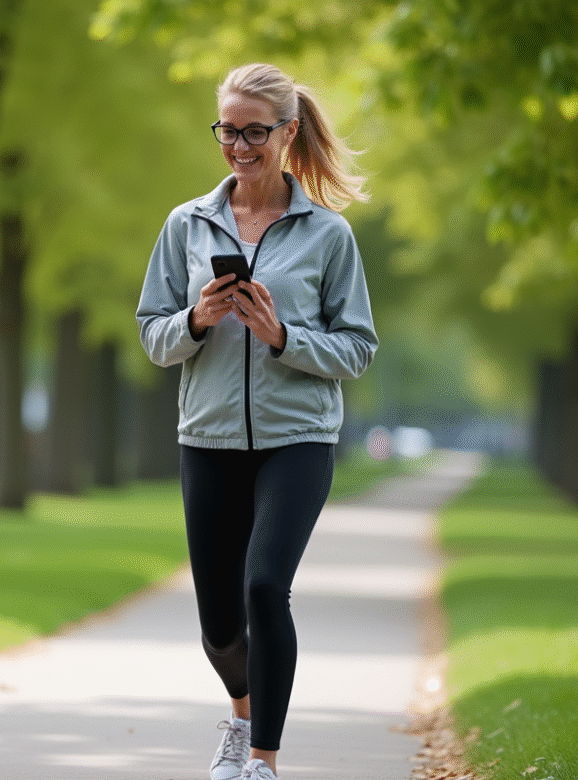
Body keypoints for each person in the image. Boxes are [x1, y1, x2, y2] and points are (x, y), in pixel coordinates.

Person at [135, 63, 378, 780]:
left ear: (287, 132)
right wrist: (197, 320)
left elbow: (358, 347)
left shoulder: (328, 236)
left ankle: (263, 761)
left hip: (297, 440)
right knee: (218, 624)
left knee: (266, 586)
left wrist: (283, 337)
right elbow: (152, 333)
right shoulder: (186, 224)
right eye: (227, 131)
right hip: (207, 439)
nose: (239, 146)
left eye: (253, 131)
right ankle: (241, 717)